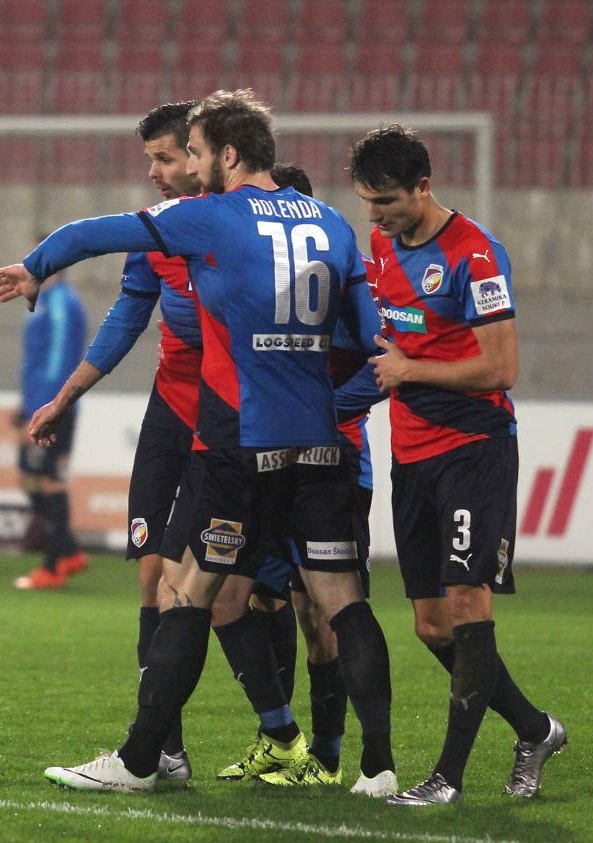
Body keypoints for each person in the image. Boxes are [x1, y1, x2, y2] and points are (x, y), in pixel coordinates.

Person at [0, 89, 398, 797]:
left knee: (187, 591)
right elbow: (374, 345)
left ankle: (143, 758)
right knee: (343, 601)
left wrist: (35, 265)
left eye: (199, 151)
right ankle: (379, 767)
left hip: (238, 445)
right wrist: (346, 399)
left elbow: (96, 232)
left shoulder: (209, 215)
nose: (193, 163)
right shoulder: (333, 224)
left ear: (228, 155)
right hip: (322, 444)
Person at [352, 125, 567, 805]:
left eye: (386, 200)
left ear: (424, 186)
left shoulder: (475, 255)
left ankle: (447, 778)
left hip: (473, 452)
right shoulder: (383, 243)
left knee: (469, 603)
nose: (375, 216)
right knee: (431, 624)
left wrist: (411, 366)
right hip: (409, 453)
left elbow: (502, 367)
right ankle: (535, 728)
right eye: (366, 202)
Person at [216, 161, 385, 788]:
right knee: (257, 596)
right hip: (268, 459)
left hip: (336, 462)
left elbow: (380, 364)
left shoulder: (332, 286)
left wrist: (325, 407)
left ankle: (335, 754)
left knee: (322, 614)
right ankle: (279, 739)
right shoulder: (267, 294)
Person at [12, 273, 88, 590]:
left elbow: (57, 362)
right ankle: (68, 550)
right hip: (40, 403)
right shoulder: (46, 301)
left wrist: (44, 408)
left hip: (53, 407)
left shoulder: (61, 304)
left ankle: (54, 566)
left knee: (49, 481)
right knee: (30, 475)